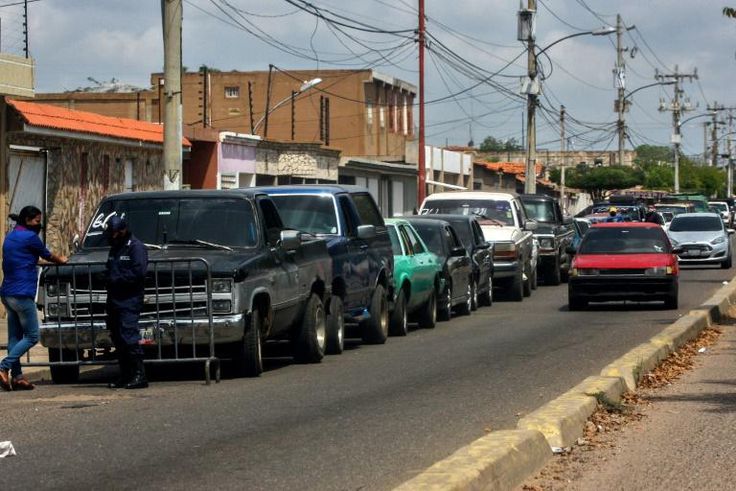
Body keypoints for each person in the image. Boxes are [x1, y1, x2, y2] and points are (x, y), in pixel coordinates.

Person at [0, 206, 67, 391]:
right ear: (29, 220)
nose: (39, 224)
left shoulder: (12, 236)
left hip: (7, 293)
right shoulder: (30, 238)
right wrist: (60, 260)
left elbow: (25, 258)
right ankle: (3, 367)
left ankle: (18, 377)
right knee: (32, 336)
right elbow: (49, 255)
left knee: (15, 336)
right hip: (22, 294)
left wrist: (40, 261)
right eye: (37, 221)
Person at [105, 215, 149, 390]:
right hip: (114, 300)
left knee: (129, 337)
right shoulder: (116, 248)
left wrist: (115, 278)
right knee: (118, 338)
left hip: (129, 300)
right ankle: (125, 375)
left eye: (114, 233)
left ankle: (139, 375)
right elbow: (110, 268)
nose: (111, 236)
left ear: (122, 231)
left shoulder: (136, 248)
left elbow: (138, 273)